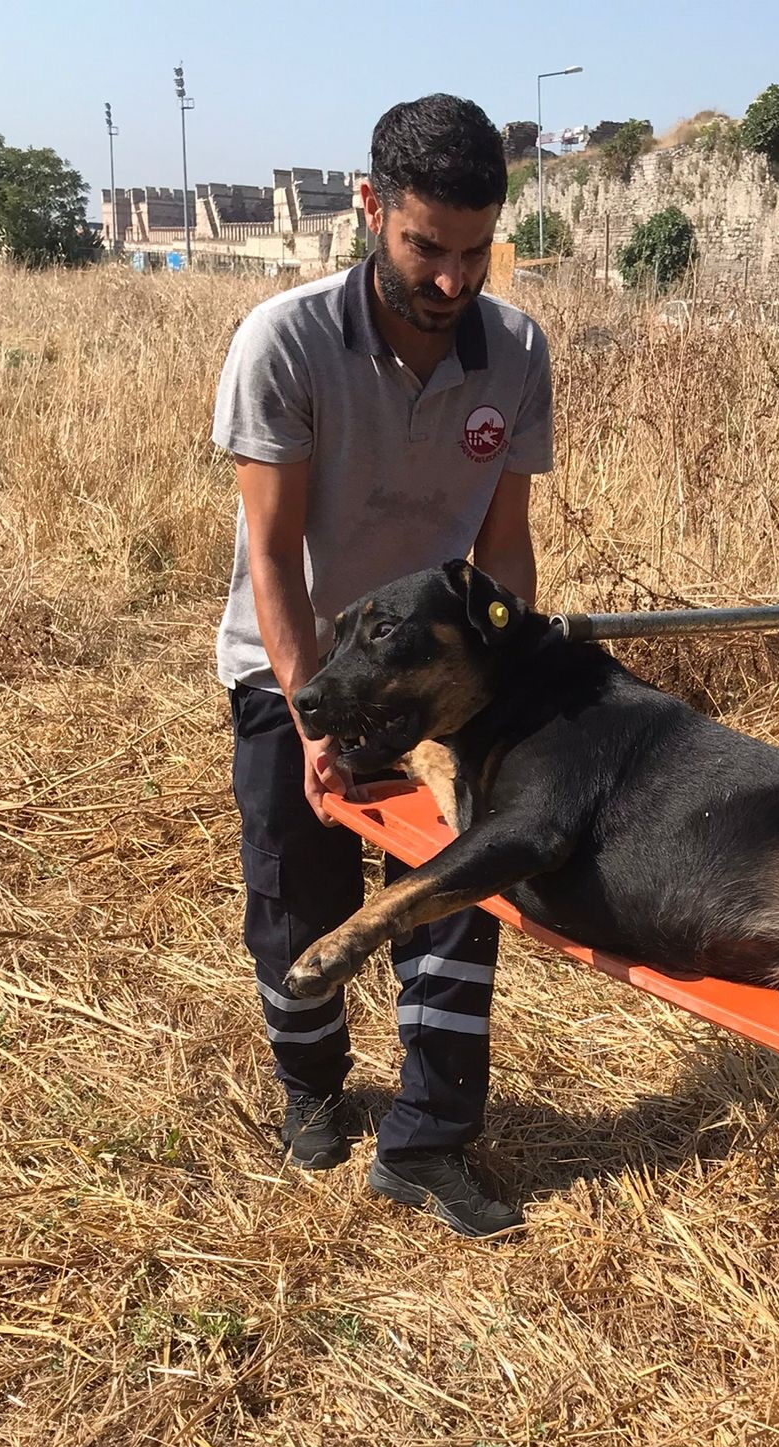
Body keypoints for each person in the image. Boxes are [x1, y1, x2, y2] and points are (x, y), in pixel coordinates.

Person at [213, 95, 552, 1235]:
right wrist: (319, 723)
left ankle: (428, 1141)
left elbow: (502, 541)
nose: (452, 281)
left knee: (459, 894)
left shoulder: (515, 352)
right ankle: (311, 1089)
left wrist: (511, 687)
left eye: (475, 252)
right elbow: (272, 549)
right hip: (295, 662)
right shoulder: (287, 341)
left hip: (437, 678)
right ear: (371, 210)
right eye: (425, 249)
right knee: (298, 893)